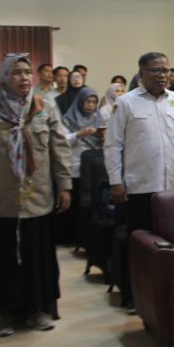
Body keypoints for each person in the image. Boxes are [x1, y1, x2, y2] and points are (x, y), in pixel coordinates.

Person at [0, 54, 72, 335]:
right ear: (4, 77)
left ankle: (37, 310)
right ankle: (2, 314)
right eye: (16, 72)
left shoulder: (45, 108)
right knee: (2, 259)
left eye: (27, 72)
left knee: (36, 258)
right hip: (0, 200)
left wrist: (64, 185)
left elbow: (59, 148)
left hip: (38, 198)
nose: (24, 77)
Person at [104, 52, 174, 310]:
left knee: (173, 244)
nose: (162, 75)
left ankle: (167, 294)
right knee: (140, 245)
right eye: (155, 71)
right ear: (141, 74)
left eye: (165, 70)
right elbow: (113, 145)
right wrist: (115, 181)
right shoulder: (126, 103)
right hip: (140, 188)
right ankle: (134, 296)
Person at [60, 87, 106, 245]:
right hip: (75, 167)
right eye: (88, 101)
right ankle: (70, 238)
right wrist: (79, 134)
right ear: (80, 101)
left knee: (90, 204)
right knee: (75, 204)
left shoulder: (98, 118)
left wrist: (103, 137)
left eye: (94, 102)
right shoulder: (68, 119)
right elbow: (61, 141)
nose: (91, 105)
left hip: (93, 168)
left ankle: (87, 239)